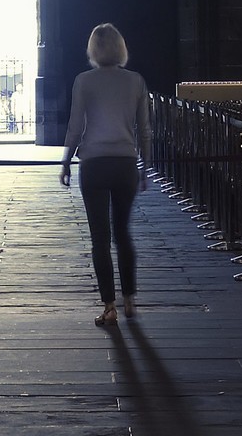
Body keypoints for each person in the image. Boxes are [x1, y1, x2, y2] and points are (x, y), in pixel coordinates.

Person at [59, 22, 150, 327]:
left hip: (94, 164)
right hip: (125, 162)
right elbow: (144, 130)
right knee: (123, 234)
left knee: (100, 238)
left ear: (93, 49)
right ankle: (130, 300)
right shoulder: (135, 81)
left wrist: (65, 160)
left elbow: (75, 125)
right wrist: (146, 166)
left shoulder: (84, 81)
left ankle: (109, 306)